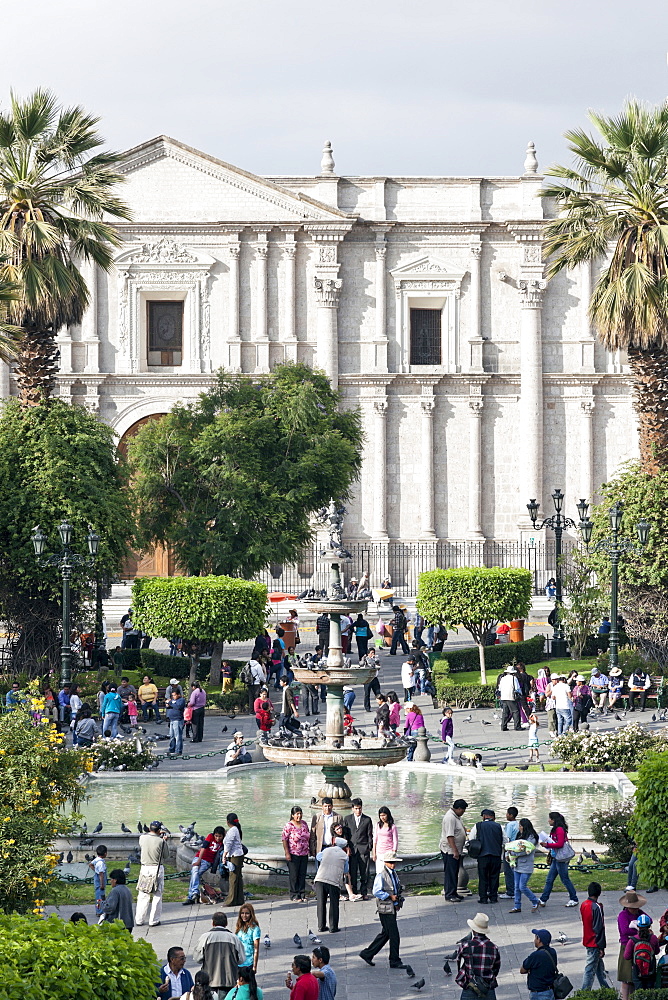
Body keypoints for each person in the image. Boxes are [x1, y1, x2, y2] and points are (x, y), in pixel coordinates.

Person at [359, 850, 407, 969]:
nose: (393, 864)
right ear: (386, 862)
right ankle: (394, 960)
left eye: (394, 862)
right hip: (385, 909)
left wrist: (396, 901)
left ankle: (367, 953)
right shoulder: (381, 875)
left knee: (386, 933)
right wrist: (390, 896)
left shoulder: (393, 873)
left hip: (391, 908)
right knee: (394, 935)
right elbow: (376, 892)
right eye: (391, 862)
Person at [194, 912, 247, 998]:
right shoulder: (234, 938)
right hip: (229, 981)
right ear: (226, 923)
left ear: (213, 923)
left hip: (209, 981)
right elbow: (241, 959)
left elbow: (197, 958)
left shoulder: (205, 937)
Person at [454, 912, 501, 1000]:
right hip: (487, 987)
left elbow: (458, 962)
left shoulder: (466, 946)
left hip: (470, 986)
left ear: (474, 930)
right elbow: (496, 968)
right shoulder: (494, 947)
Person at [538, 811, 578, 907]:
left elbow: (560, 844)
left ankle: (574, 898)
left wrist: (547, 844)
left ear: (554, 820)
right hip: (556, 857)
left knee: (565, 879)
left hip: (561, 858)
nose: (548, 821)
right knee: (549, 879)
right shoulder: (555, 830)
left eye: (550, 819)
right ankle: (543, 899)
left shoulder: (560, 829)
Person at [617, 890, 649, 1000]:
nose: (635, 909)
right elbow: (625, 930)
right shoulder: (622, 915)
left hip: (639, 948)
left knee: (635, 979)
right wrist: (638, 929)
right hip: (627, 948)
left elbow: (648, 920)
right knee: (626, 979)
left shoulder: (640, 913)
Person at [136, 819, 168, 927]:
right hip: (157, 869)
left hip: (144, 868)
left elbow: (146, 837)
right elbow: (166, 855)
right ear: (159, 830)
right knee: (157, 895)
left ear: (149, 828)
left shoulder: (142, 838)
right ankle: (154, 920)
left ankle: (139, 919)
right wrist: (164, 840)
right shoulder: (161, 841)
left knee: (143, 894)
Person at [581, 881, 611, 989]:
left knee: (598, 967)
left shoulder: (584, 904)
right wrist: (601, 947)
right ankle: (584, 991)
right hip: (595, 942)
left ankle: (605, 987)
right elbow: (599, 928)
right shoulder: (597, 907)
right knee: (590, 969)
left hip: (588, 939)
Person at [314, 836, 348, 933]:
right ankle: (333, 927)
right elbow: (346, 870)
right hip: (334, 881)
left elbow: (318, 857)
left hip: (320, 879)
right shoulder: (344, 856)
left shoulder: (326, 850)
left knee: (321, 903)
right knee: (334, 904)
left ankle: (321, 926)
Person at [469, 809, 503, 905]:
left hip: (483, 856)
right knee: (494, 877)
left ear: (484, 816)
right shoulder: (499, 826)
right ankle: (493, 897)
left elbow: (471, 839)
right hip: (496, 855)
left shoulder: (478, 826)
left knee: (483, 877)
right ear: (493, 817)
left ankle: (483, 898)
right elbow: (505, 840)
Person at [507, 817, 541, 913]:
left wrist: (514, 853)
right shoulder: (520, 835)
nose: (519, 828)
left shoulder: (532, 838)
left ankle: (535, 900)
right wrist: (509, 854)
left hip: (526, 865)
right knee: (516, 886)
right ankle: (517, 905)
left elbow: (526, 851)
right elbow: (513, 846)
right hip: (517, 865)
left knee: (522, 886)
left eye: (520, 826)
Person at [184, 826, 225, 905]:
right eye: (216, 836)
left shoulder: (224, 841)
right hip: (199, 858)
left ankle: (191, 896)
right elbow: (203, 848)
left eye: (220, 836)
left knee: (195, 874)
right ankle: (194, 892)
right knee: (195, 872)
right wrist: (198, 861)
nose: (218, 838)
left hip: (208, 862)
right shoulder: (210, 836)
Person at [344, 798, 373, 899]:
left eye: (360, 808)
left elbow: (370, 835)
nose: (358, 811)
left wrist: (369, 847)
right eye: (356, 808)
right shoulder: (347, 819)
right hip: (352, 850)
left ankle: (364, 892)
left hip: (363, 849)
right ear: (352, 808)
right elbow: (346, 835)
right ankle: (355, 891)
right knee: (352, 872)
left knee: (364, 872)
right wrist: (347, 847)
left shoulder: (367, 819)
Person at [440, 799, 468, 902]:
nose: (463, 812)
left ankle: (454, 891)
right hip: (450, 851)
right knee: (450, 873)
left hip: (457, 850)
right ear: (459, 808)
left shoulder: (457, 816)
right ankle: (449, 894)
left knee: (455, 872)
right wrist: (455, 850)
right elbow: (450, 836)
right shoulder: (450, 818)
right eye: (463, 810)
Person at [519, 928, 558, 1000]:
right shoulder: (552, 952)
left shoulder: (536, 955)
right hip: (550, 991)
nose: (534, 940)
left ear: (539, 940)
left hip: (538, 994)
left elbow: (522, 970)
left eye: (535, 938)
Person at [283, 806, 310, 902]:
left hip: (304, 853)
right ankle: (294, 894)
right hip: (293, 854)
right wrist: (287, 853)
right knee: (294, 875)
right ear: (292, 815)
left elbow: (308, 836)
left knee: (302, 874)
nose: (299, 815)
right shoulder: (289, 826)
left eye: (300, 813)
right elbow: (284, 840)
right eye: (297, 814)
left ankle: (302, 893)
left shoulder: (304, 824)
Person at [625, 913, 659, 990]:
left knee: (639, 991)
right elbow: (657, 951)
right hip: (651, 970)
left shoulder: (632, 940)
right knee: (650, 991)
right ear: (649, 926)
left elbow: (626, 956)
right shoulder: (653, 938)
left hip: (637, 971)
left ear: (637, 926)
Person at [222, 812, 245, 906]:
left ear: (228, 822)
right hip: (238, 855)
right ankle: (239, 899)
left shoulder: (232, 831)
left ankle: (230, 900)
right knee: (238, 877)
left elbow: (229, 844)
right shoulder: (236, 829)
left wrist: (224, 856)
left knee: (233, 878)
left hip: (234, 856)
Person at [236, 902, 260, 973]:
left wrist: (255, 966)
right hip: (238, 961)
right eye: (242, 913)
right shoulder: (239, 927)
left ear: (251, 914)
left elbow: (256, 949)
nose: (244, 915)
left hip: (248, 962)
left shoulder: (255, 928)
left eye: (247, 913)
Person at [501, 807, 519, 899]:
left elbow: (506, 839)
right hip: (516, 849)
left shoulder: (510, 825)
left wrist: (505, 851)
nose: (506, 815)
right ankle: (515, 890)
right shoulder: (518, 824)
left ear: (511, 815)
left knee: (508, 871)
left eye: (507, 813)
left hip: (509, 850)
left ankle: (510, 891)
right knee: (515, 871)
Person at [498, 666, 522, 731]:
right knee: (515, 711)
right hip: (511, 696)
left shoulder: (503, 678)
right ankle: (517, 726)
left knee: (505, 712)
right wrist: (520, 694)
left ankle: (503, 726)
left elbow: (500, 688)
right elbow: (517, 688)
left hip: (504, 697)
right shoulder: (514, 678)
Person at [167, 687, 186, 755]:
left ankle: (178, 750)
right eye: (172, 695)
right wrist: (168, 704)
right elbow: (170, 706)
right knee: (172, 735)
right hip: (172, 719)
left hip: (178, 720)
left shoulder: (181, 700)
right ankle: (172, 749)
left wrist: (170, 703)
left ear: (178, 694)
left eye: (174, 695)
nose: (173, 697)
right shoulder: (172, 700)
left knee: (178, 736)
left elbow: (178, 706)